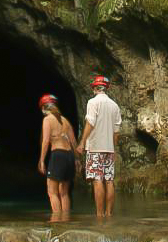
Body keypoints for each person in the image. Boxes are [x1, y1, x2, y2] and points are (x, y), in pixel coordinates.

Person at [76, 74, 121, 218]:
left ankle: (99, 214)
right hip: (109, 148)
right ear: (106, 88)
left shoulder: (92, 102)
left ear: (95, 88)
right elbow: (116, 132)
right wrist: (113, 149)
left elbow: (90, 123)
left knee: (97, 180)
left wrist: (82, 141)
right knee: (109, 180)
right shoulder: (115, 106)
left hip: (95, 148)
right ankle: (109, 214)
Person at [37, 93, 78, 221]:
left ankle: (56, 223)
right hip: (69, 156)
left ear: (43, 107)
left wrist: (42, 160)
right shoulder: (65, 120)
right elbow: (74, 142)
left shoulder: (47, 119)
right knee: (64, 192)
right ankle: (65, 221)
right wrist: (77, 159)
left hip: (58, 155)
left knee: (52, 192)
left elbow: (45, 140)